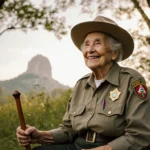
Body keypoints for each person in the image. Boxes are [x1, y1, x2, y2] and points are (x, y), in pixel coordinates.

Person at [16, 16, 150, 150]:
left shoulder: (131, 80)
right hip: (77, 146)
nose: (90, 50)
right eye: (86, 44)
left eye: (97, 43)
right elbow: (68, 130)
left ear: (114, 52)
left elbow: (140, 135)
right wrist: (40, 136)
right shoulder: (81, 85)